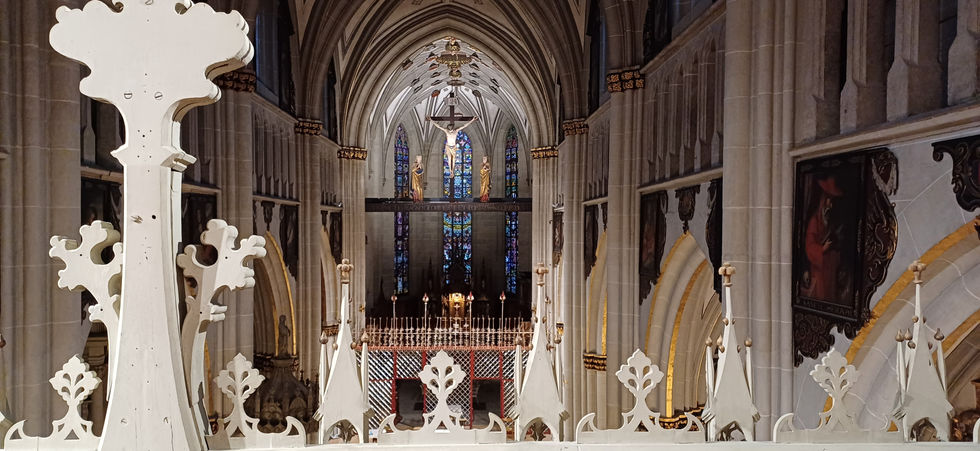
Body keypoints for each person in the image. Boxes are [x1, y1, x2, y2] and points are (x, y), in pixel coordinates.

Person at [803, 175, 843, 300]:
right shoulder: (815, 221)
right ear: (824, 200)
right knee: (820, 294)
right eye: (829, 201)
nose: (830, 205)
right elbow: (809, 245)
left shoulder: (828, 219)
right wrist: (822, 249)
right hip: (819, 269)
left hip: (829, 266)